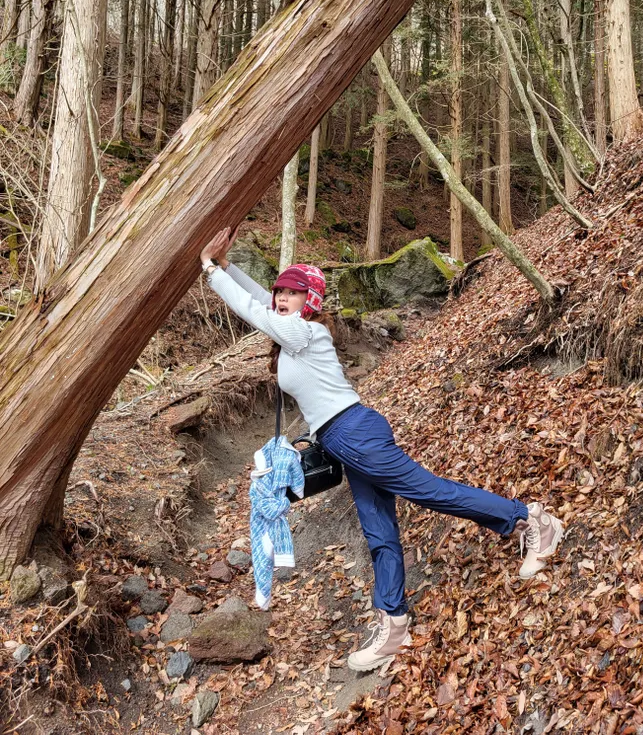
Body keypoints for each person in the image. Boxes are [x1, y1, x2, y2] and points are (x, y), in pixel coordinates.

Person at [199, 227, 564, 672]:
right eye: (279, 291)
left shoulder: (306, 335)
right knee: (378, 532)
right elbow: (261, 304)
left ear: (309, 301)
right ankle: (393, 623)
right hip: (341, 440)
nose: (280, 298)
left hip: (355, 431)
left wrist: (209, 270)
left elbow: (259, 314)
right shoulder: (292, 330)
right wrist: (228, 264)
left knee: (429, 491)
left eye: (291, 293)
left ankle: (531, 520)